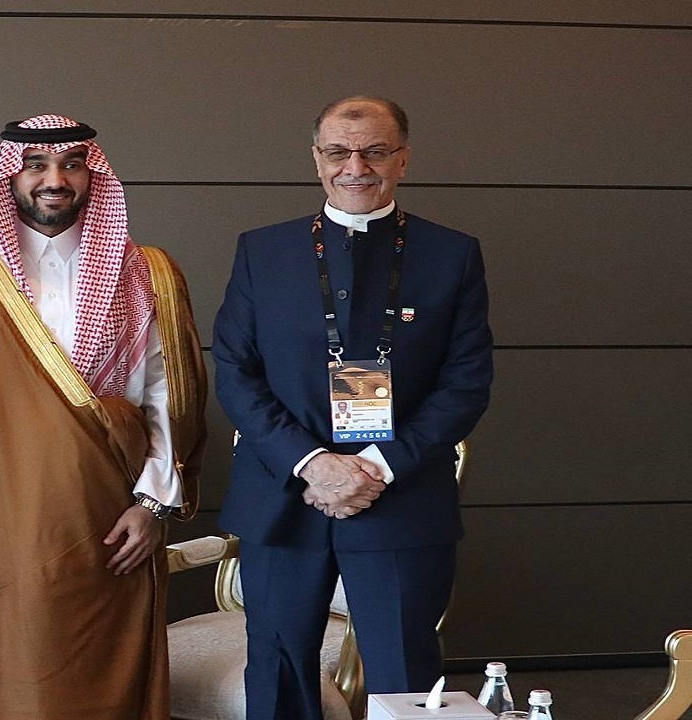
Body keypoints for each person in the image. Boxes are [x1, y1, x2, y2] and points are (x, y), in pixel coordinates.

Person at [0, 114, 207, 719]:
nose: (54, 180)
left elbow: (170, 397)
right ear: (11, 176)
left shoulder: (149, 272)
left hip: (110, 515)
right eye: (36, 165)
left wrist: (153, 505)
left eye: (70, 165)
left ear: (94, 175)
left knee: (101, 669)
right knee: (9, 657)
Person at [212, 96, 494, 720]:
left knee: (405, 673)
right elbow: (235, 371)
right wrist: (312, 463)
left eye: (375, 152)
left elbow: (466, 383)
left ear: (403, 159)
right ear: (316, 158)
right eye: (338, 152)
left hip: (402, 494)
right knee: (278, 670)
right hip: (284, 493)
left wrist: (376, 468)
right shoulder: (263, 251)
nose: (356, 167)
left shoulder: (451, 254)